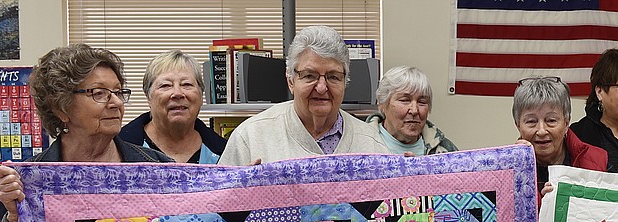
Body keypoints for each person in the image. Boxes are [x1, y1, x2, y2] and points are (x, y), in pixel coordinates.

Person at [0, 44, 171, 222]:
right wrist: (14, 221)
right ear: (61, 108)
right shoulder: (28, 183)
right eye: (99, 93)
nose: (115, 102)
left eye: (118, 92)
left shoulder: (156, 169)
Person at [218, 25, 387, 165]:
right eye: (309, 75)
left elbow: (390, 203)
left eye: (333, 77)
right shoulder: (251, 137)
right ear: (290, 80)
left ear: (345, 82)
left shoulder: (371, 143)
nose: (321, 88)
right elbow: (220, 202)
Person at [119, 49, 227, 163]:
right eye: (166, 85)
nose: (177, 93)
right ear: (148, 97)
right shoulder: (119, 148)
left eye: (187, 84)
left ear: (201, 95)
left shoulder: (224, 151)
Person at [512, 76, 607, 204]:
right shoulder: (506, 170)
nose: (541, 131)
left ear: (566, 123)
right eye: (531, 121)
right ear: (518, 125)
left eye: (551, 121)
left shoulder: (597, 160)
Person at [365, 66, 457, 155]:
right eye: (405, 100)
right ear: (383, 104)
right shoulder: (361, 142)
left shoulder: (445, 150)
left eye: (422, 102)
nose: (414, 110)